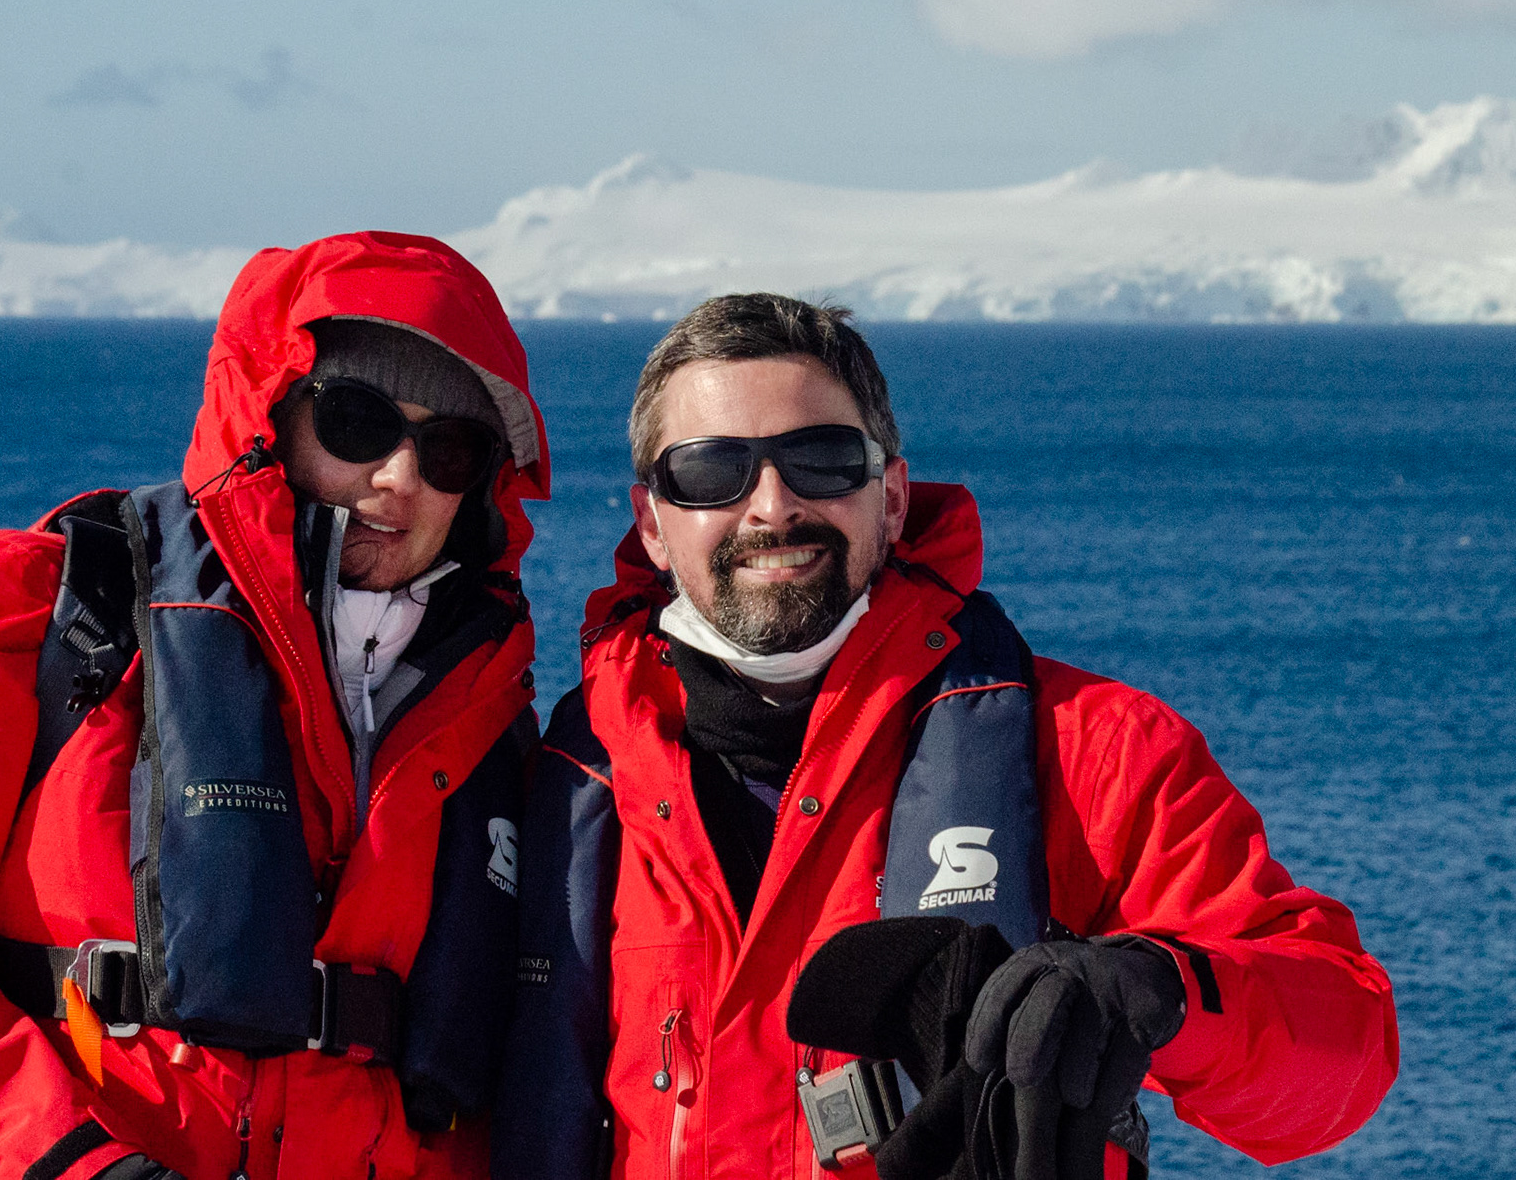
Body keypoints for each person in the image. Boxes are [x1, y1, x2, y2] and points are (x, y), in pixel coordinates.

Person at [496, 294, 1398, 1179]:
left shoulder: (1093, 751)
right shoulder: (567, 781)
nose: (771, 505)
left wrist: (1156, 990)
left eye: (821, 459)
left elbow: (1344, 1065)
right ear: (652, 523)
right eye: (708, 471)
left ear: (890, 497)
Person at [0, 232, 550, 1180]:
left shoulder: (499, 724)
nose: (401, 478)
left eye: (450, 449)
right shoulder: (47, 613)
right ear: (272, 417)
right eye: (359, 423)